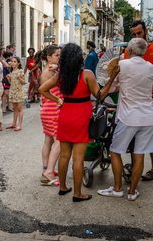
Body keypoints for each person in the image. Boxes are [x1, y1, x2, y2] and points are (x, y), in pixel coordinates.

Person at [39, 43, 117, 202]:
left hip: (65, 116)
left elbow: (42, 89)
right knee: (78, 159)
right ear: (78, 58)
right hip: (81, 117)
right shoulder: (86, 74)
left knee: (64, 156)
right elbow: (100, 94)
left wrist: (58, 100)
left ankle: (63, 188)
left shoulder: (60, 76)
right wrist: (113, 77)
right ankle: (77, 193)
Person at [98, 38, 153, 201]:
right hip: (148, 117)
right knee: (139, 154)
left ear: (128, 50)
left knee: (115, 151)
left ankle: (117, 188)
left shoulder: (122, 65)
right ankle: (132, 192)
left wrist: (115, 77)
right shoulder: (151, 67)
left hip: (127, 116)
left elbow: (110, 89)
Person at [124, 20, 153, 181]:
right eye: (134, 34)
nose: (136, 37)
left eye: (139, 33)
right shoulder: (129, 51)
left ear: (146, 31)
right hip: (133, 102)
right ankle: (135, 170)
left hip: (150, 101)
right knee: (136, 141)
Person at [39, 45, 62, 185]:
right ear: (49, 57)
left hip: (47, 109)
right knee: (59, 142)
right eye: (57, 55)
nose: (59, 57)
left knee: (48, 141)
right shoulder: (50, 72)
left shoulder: (48, 70)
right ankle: (49, 172)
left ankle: (46, 168)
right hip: (54, 108)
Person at [5, 57, 26, 131]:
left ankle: (19, 124)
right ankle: (14, 123)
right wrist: (9, 79)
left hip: (18, 92)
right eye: (12, 61)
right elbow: (12, 83)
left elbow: (23, 82)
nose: (13, 63)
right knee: (15, 108)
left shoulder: (20, 71)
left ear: (18, 63)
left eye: (14, 61)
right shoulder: (11, 72)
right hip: (12, 91)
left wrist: (19, 77)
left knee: (20, 108)